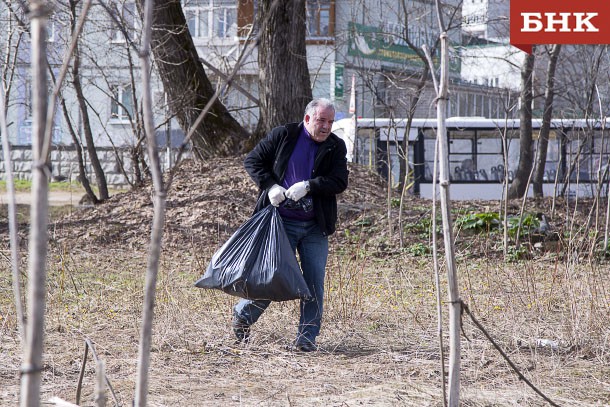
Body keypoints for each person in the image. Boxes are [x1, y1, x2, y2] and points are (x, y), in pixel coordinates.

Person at [232, 98, 349, 352]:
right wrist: (271, 186)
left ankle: (306, 340)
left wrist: (309, 185)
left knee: (313, 284)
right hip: (281, 223)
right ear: (308, 119)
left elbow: (339, 181)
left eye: (330, 121)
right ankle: (243, 315)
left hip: (315, 227)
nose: (327, 126)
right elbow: (253, 161)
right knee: (273, 278)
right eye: (321, 120)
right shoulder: (284, 135)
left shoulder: (335, 147)